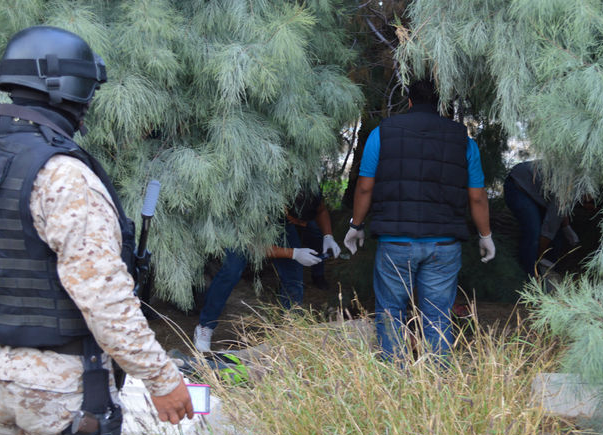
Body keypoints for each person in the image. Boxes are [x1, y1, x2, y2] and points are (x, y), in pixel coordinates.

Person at [0, 26, 192, 435]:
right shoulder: (61, 174)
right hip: (54, 385)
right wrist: (161, 379)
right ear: (69, 87)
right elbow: (103, 297)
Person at [343, 78, 496, 362]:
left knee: (391, 313)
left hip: (395, 242)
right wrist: (485, 235)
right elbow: (477, 197)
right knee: (437, 316)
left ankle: (396, 382)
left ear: (409, 101)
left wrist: (356, 225)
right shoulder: (463, 140)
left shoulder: (382, 133)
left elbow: (365, 186)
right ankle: (438, 386)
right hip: (444, 243)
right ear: (442, 106)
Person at [193, 191, 340, 352]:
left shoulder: (308, 189)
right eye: (299, 221)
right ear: (285, 207)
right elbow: (253, 248)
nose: (303, 226)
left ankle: (291, 327)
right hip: (245, 228)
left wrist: (328, 236)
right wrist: (294, 253)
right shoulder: (257, 201)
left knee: (293, 273)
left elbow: (321, 210)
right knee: (232, 270)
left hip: (283, 223)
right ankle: (205, 326)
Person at [503, 160, 580, 277]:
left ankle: (549, 270)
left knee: (557, 234)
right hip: (518, 185)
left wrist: (566, 226)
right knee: (533, 233)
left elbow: (561, 210)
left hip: (539, 190)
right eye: (590, 204)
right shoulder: (568, 190)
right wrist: (539, 257)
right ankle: (530, 277)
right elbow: (549, 228)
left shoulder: (583, 187)